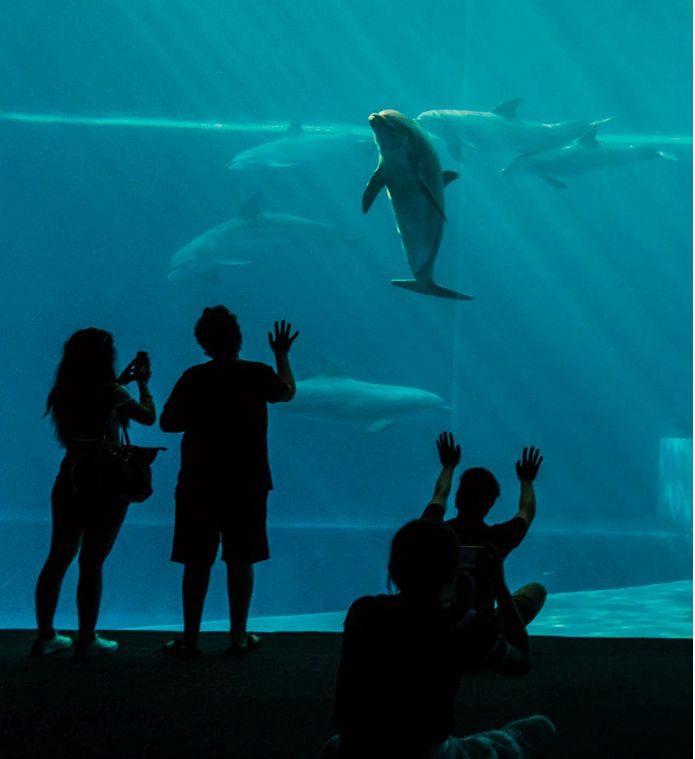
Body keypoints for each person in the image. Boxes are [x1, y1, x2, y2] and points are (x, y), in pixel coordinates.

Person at [323, 491, 555, 757]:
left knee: (333, 746)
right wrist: (499, 586)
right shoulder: (462, 624)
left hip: (356, 748)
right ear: (453, 572)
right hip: (428, 753)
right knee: (541, 729)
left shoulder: (363, 611)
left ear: (394, 569)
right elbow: (521, 662)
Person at [159, 307, 298, 657]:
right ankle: (238, 637)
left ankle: (190, 639)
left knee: (196, 562)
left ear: (202, 342)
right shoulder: (257, 373)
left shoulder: (193, 377)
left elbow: (169, 423)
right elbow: (287, 393)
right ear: (239, 339)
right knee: (241, 559)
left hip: (199, 481)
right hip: (247, 481)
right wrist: (281, 354)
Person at [33, 329, 156, 657]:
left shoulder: (63, 391)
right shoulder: (111, 391)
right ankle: (87, 639)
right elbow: (148, 417)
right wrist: (143, 384)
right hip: (106, 482)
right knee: (92, 561)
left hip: (71, 477)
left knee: (58, 558)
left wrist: (121, 382)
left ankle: (45, 636)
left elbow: (90, 408)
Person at [422, 434, 546, 626]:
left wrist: (448, 466)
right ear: (490, 505)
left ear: (457, 498)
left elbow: (439, 495)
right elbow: (527, 511)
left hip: (436, 621)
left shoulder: (432, 531)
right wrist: (527, 481)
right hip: (482, 626)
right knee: (536, 590)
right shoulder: (498, 539)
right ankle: (501, 633)